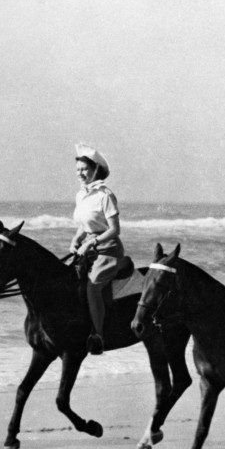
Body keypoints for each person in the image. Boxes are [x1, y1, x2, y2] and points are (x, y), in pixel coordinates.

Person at [70, 142, 124, 355]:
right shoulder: (80, 195)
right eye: (78, 170)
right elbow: (84, 225)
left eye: (84, 169)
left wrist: (91, 242)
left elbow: (114, 230)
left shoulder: (105, 195)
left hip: (108, 251)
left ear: (95, 170)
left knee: (92, 287)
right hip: (87, 248)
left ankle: (98, 335)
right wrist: (76, 238)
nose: (80, 174)